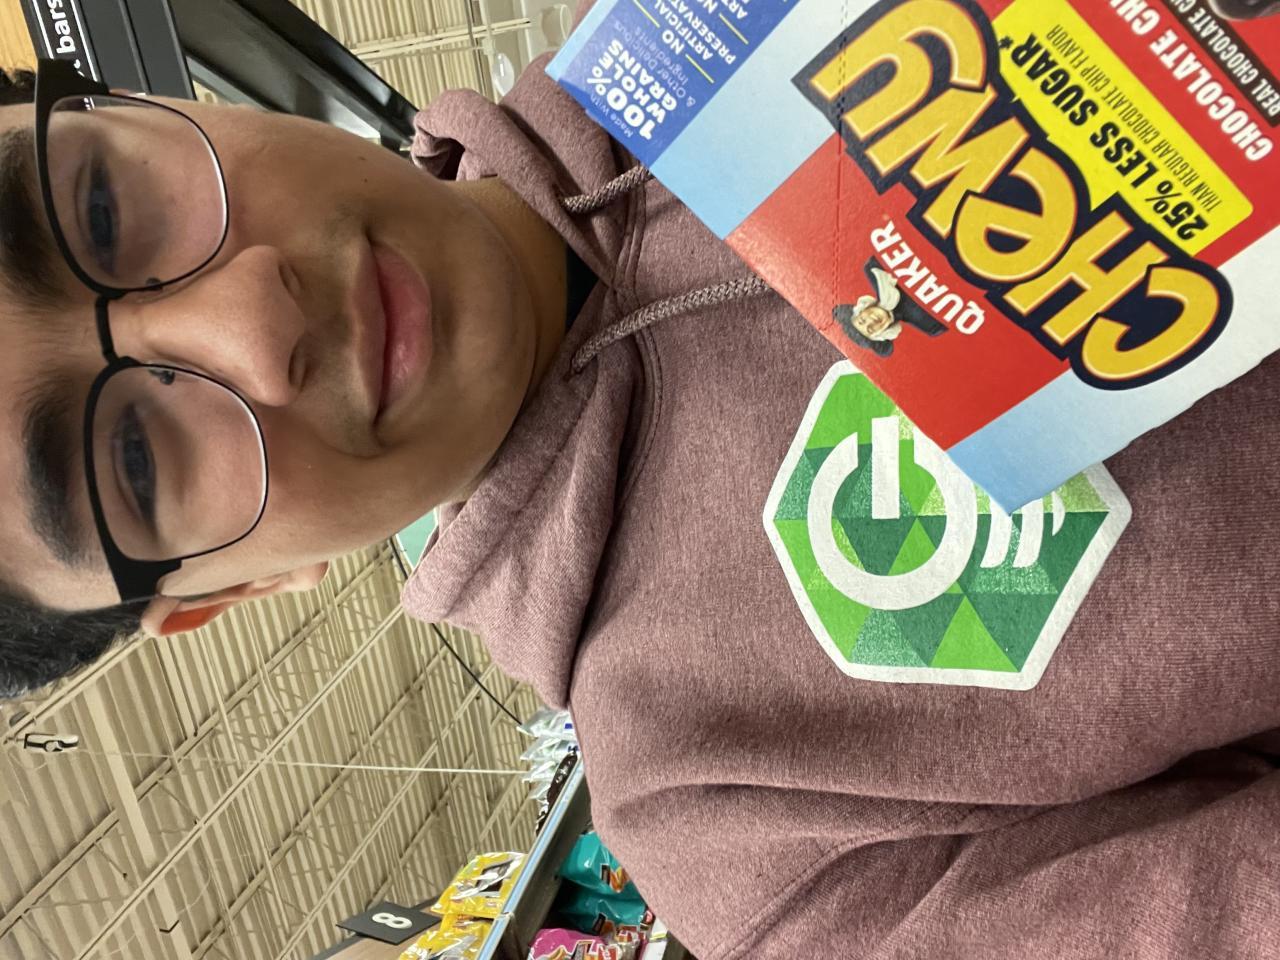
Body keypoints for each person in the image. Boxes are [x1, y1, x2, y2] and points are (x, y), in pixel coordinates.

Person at [0, 3, 1277, 956]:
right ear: (227, 591)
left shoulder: (713, 26)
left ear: (130, 101)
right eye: (129, 461)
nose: (252, 320)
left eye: (99, 212)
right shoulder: (757, 844)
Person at [833, 260, 948, 358]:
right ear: (881, 334)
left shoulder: (874, 269)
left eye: (862, 320)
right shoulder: (929, 325)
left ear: (861, 310)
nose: (871, 321)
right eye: (871, 330)